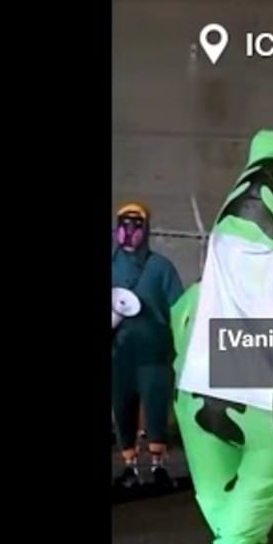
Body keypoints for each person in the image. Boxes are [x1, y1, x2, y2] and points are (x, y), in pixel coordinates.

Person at [111, 202, 185, 490]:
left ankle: (158, 465)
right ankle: (129, 465)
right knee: (122, 407)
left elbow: (178, 307)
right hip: (120, 352)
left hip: (155, 352)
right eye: (124, 225)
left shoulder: (160, 268)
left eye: (135, 226)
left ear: (146, 229)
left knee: (156, 406)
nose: (129, 232)